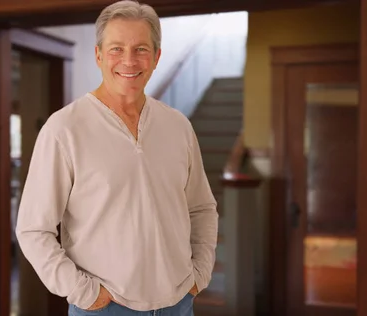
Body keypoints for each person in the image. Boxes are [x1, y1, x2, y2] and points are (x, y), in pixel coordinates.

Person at [14, 0, 219, 315]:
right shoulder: (64, 129)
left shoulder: (177, 126)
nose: (129, 60)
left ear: (156, 57)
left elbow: (202, 209)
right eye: (116, 49)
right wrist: (84, 292)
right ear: (98, 55)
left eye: (141, 49)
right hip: (105, 308)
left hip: (179, 304)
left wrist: (199, 273)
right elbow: (32, 229)